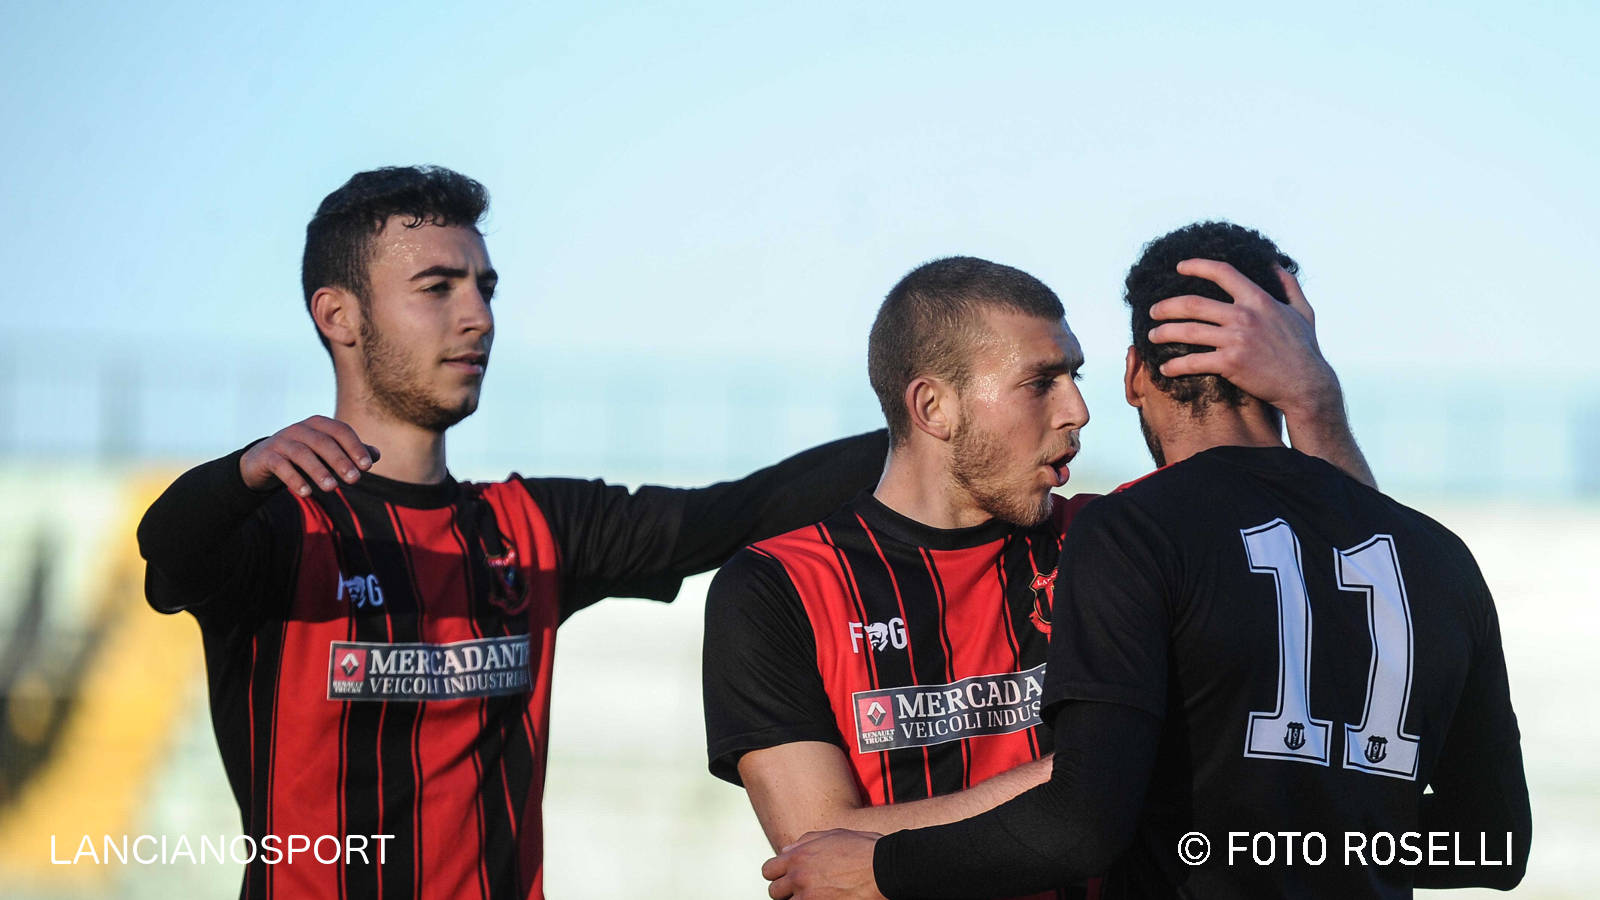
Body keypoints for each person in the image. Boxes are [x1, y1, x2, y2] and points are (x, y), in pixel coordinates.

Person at [135, 165, 893, 900]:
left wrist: (930, 428)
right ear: (339, 316)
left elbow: (741, 511)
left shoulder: (531, 528)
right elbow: (169, 549)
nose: (478, 316)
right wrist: (239, 472)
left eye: (484, 288)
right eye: (437, 287)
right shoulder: (279, 529)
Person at [763, 223, 1531, 899]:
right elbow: (1495, 846)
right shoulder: (1436, 557)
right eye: (1047, 381)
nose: (1078, 410)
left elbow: (1084, 825)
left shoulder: (1132, 531)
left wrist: (886, 868)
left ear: (1136, 373)